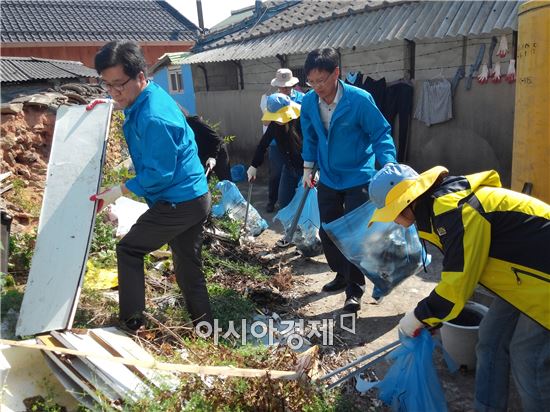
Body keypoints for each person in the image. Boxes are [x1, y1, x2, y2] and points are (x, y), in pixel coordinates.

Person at [368, 163, 550, 412]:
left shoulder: (453, 210)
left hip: (542, 280)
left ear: (407, 201)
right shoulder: (439, 207)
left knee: (527, 355)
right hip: (525, 280)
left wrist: (421, 315)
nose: (394, 222)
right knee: (490, 339)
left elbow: (458, 282)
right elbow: (465, 273)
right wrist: (433, 318)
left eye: (392, 213)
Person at [88, 40, 213, 331]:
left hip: (179, 201)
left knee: (129, 249)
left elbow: (160, 174)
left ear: (141, 76)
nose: (115, 92)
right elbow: (128, 100)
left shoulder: (153, 116)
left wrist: (117, 191)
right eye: (107, 86)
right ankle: (206, 330)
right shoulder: (147, 94)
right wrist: (108, 103)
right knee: (188, 270)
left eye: (119, 85)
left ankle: (131, 322)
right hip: (191, 195)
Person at [300, 47, 396, 312]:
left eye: (322, 80)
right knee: (328, 232)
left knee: (353, 236)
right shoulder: (309, 102)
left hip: (358, 176)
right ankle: (342, 275)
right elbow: (309, 135)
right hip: (329, 176)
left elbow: (380, 133)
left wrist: (388, 164)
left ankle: (354, 290)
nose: (317, 87)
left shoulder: (359, 100)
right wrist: (308, 166)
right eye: (312, 81)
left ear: (336, 73)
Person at [247, 93, 303, 209]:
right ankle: (289, 227)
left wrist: (313, 169)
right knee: (284, 202)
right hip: (289, 167)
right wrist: (253, 166)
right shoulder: (274, 126)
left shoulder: (300, 122)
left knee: (304, 205)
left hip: (306, 168)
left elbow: (313, 144)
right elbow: (263, 145)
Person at [263, 68, 305, 213]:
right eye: (282, 86)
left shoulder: (302, 98)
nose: (284, 89)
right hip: (277, 143)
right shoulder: (272, 99)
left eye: (287, 86)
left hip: (296, 145)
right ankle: (272, 200)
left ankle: (297, 204)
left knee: (298, 174)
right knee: (275, 174)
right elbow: (266, 122)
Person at [184, 113, 232, 182]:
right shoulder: (177, 129)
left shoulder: (194, 121)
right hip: (203, 157)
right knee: (201, 183)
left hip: (217, 152)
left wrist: (213, 157)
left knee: (226, 183)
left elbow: (217, 140)